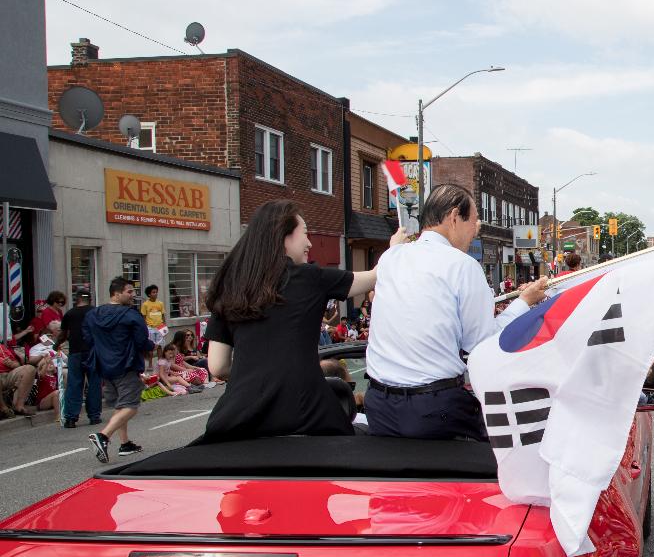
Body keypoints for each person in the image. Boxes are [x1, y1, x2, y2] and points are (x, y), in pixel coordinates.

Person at [196, 199, 400, 445]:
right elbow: (373, 277)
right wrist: (395, 247)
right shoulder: (309, 277)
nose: (310, 242)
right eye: (305, 233)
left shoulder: (230, 284)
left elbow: (217, 366)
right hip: (307, 411)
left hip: (237, 417)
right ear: (284, 235)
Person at [366, 184, 548, 441]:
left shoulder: (391, 258)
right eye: (474, 221)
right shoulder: (463, 266)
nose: (476, 231)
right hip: (432, 408)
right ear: (453, 217)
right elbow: (482, 344)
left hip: (379, 405)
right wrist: (524, 302)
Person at [84, 277, 154, 461]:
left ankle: (125, 443)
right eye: (129, 292)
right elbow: (142, 341)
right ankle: (103, 436)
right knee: (130, 406)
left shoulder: (93, 315)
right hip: (126, 364)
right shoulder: (131, 315)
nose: (133, 295)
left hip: (104, 366)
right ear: (116, 293)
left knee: (120, 405)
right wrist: (151, 344)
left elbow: (88, 339)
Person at [57, 289, 101, 428]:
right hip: (92, 351)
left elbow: (63, 334)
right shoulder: (95, 312)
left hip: (75, 352)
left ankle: (71, 418)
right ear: (90, 300)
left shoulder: (70, 313)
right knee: (94, 383)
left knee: (74, 384)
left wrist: (56, 345)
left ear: (77, 299)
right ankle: (94, 416)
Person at [0, 341, 37, 417]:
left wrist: (12, 364)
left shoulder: (1, 347)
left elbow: (17, 364)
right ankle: (3, 409)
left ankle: (19, 406)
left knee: (30, 369)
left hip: (8, 374)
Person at [139, 284, 166, 367]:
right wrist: (146, 326)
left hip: (159, 327)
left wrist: (164, 325)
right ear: (149, 294)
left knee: (160, 346)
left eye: (156, 292)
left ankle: (160, 363)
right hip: (150, 327)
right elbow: (143, 316)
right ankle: (150, 364)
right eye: (153, 292)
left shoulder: (160, 303)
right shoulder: (145, 304)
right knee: (151, 346)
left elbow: (163, 315)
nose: (155, 294)